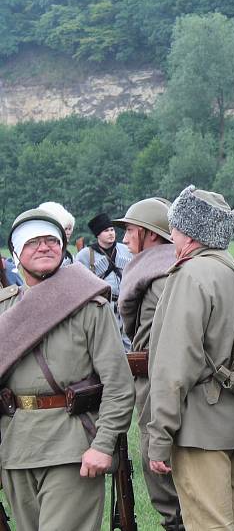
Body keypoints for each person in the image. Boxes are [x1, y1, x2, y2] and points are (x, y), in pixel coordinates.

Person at [0, 207, 135, 531]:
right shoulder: (5, 308)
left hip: (72, 448)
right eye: (33, 242)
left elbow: (118, 385)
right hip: (16, 449)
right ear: (17, 253)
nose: (44, 247)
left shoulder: (90, 307)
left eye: (51, 240)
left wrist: (102, 446)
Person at [147, 186, 234, 531]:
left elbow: (174, 365)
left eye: (175, 227)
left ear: (192, 233)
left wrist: (159, 436)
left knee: (210, 525)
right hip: (232, 422)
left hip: (199, 428)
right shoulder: (232, 271)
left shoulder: (191, 274)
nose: (172, 234)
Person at [113, 198, 184, 531]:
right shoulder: (165, 270)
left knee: (159, 466)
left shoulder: (159, 278)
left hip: (159, 385)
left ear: (151, 235)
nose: (125, 239)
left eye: (130, 230)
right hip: (156, 381)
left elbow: (164, 346)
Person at [76, 212, 133, 349]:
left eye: (112, 229)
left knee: (129, 341)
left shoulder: (125, 250)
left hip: (126, 303)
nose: (111, 233)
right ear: (98, 234)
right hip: (103, 305)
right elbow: (79, 283)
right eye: (106, 230)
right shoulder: (85, 255)